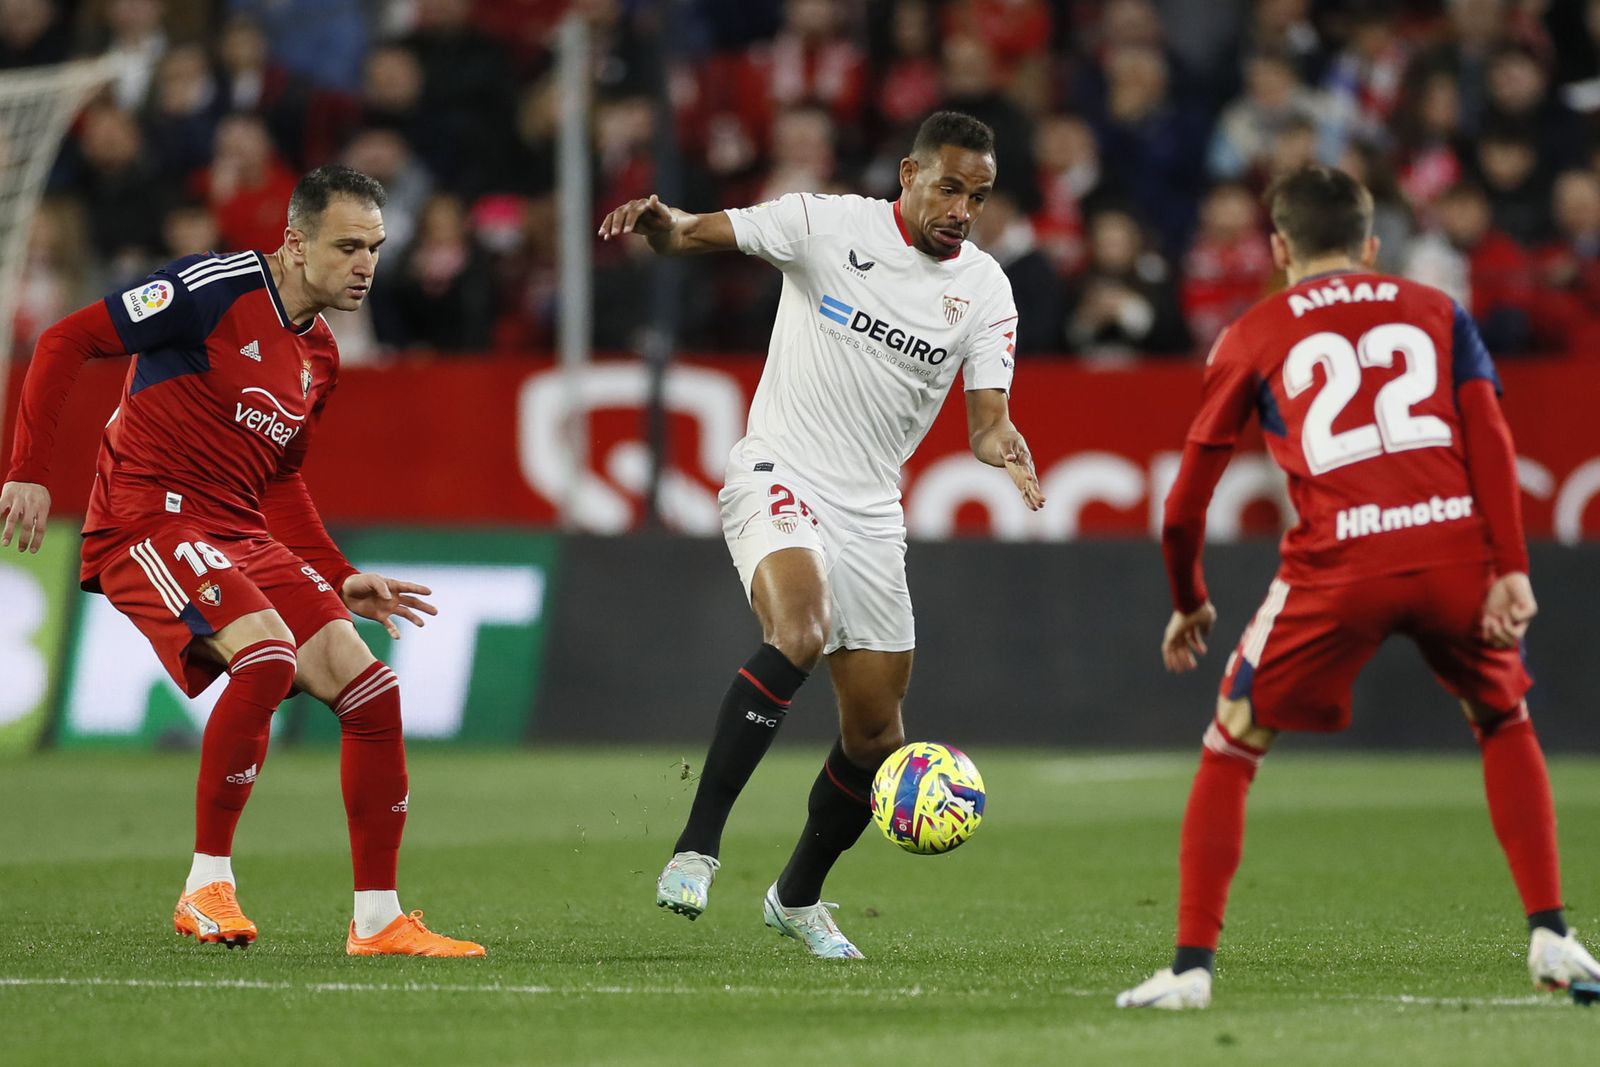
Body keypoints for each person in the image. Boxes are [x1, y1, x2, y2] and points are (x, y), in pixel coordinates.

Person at [1116, 165, 1600, 1010]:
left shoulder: (1251, 333)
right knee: (1501, 716)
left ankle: (1192, 970)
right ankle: (1554, 933)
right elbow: (1489, 435)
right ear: (1373, 246)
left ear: (1277, 248)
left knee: (1232, 742)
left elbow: (1185, 500)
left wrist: (1189, 594)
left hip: (1338, 566)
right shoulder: (1440, 311)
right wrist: (1510, 564)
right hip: (1456, 553)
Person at [0, 165, 484, 958]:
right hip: (145, 517)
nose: (366, 264)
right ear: (294, 244)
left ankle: (378, 920)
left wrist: (336, 573)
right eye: (348, 246)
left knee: (371, 690)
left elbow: (283, 477)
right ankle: (204, 886)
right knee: (264, 656)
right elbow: (66, 339)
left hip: (237, 528)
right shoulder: (209, 289)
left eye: (376, 247)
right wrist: (26, 468)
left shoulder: (319, 355)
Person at [599, 111, 1043, 959]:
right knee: (798, 630)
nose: (962, 208)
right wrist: (667, 226)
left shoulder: (985, 288)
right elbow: (697, 234)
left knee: (879, 739)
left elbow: (986, 421)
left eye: (978, 196)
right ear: (909, 174)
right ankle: (697, 845)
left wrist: (1002, 444)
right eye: (949, 187)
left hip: (873, 509)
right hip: (780, 470)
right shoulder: (824, 223)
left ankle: (796, 896)